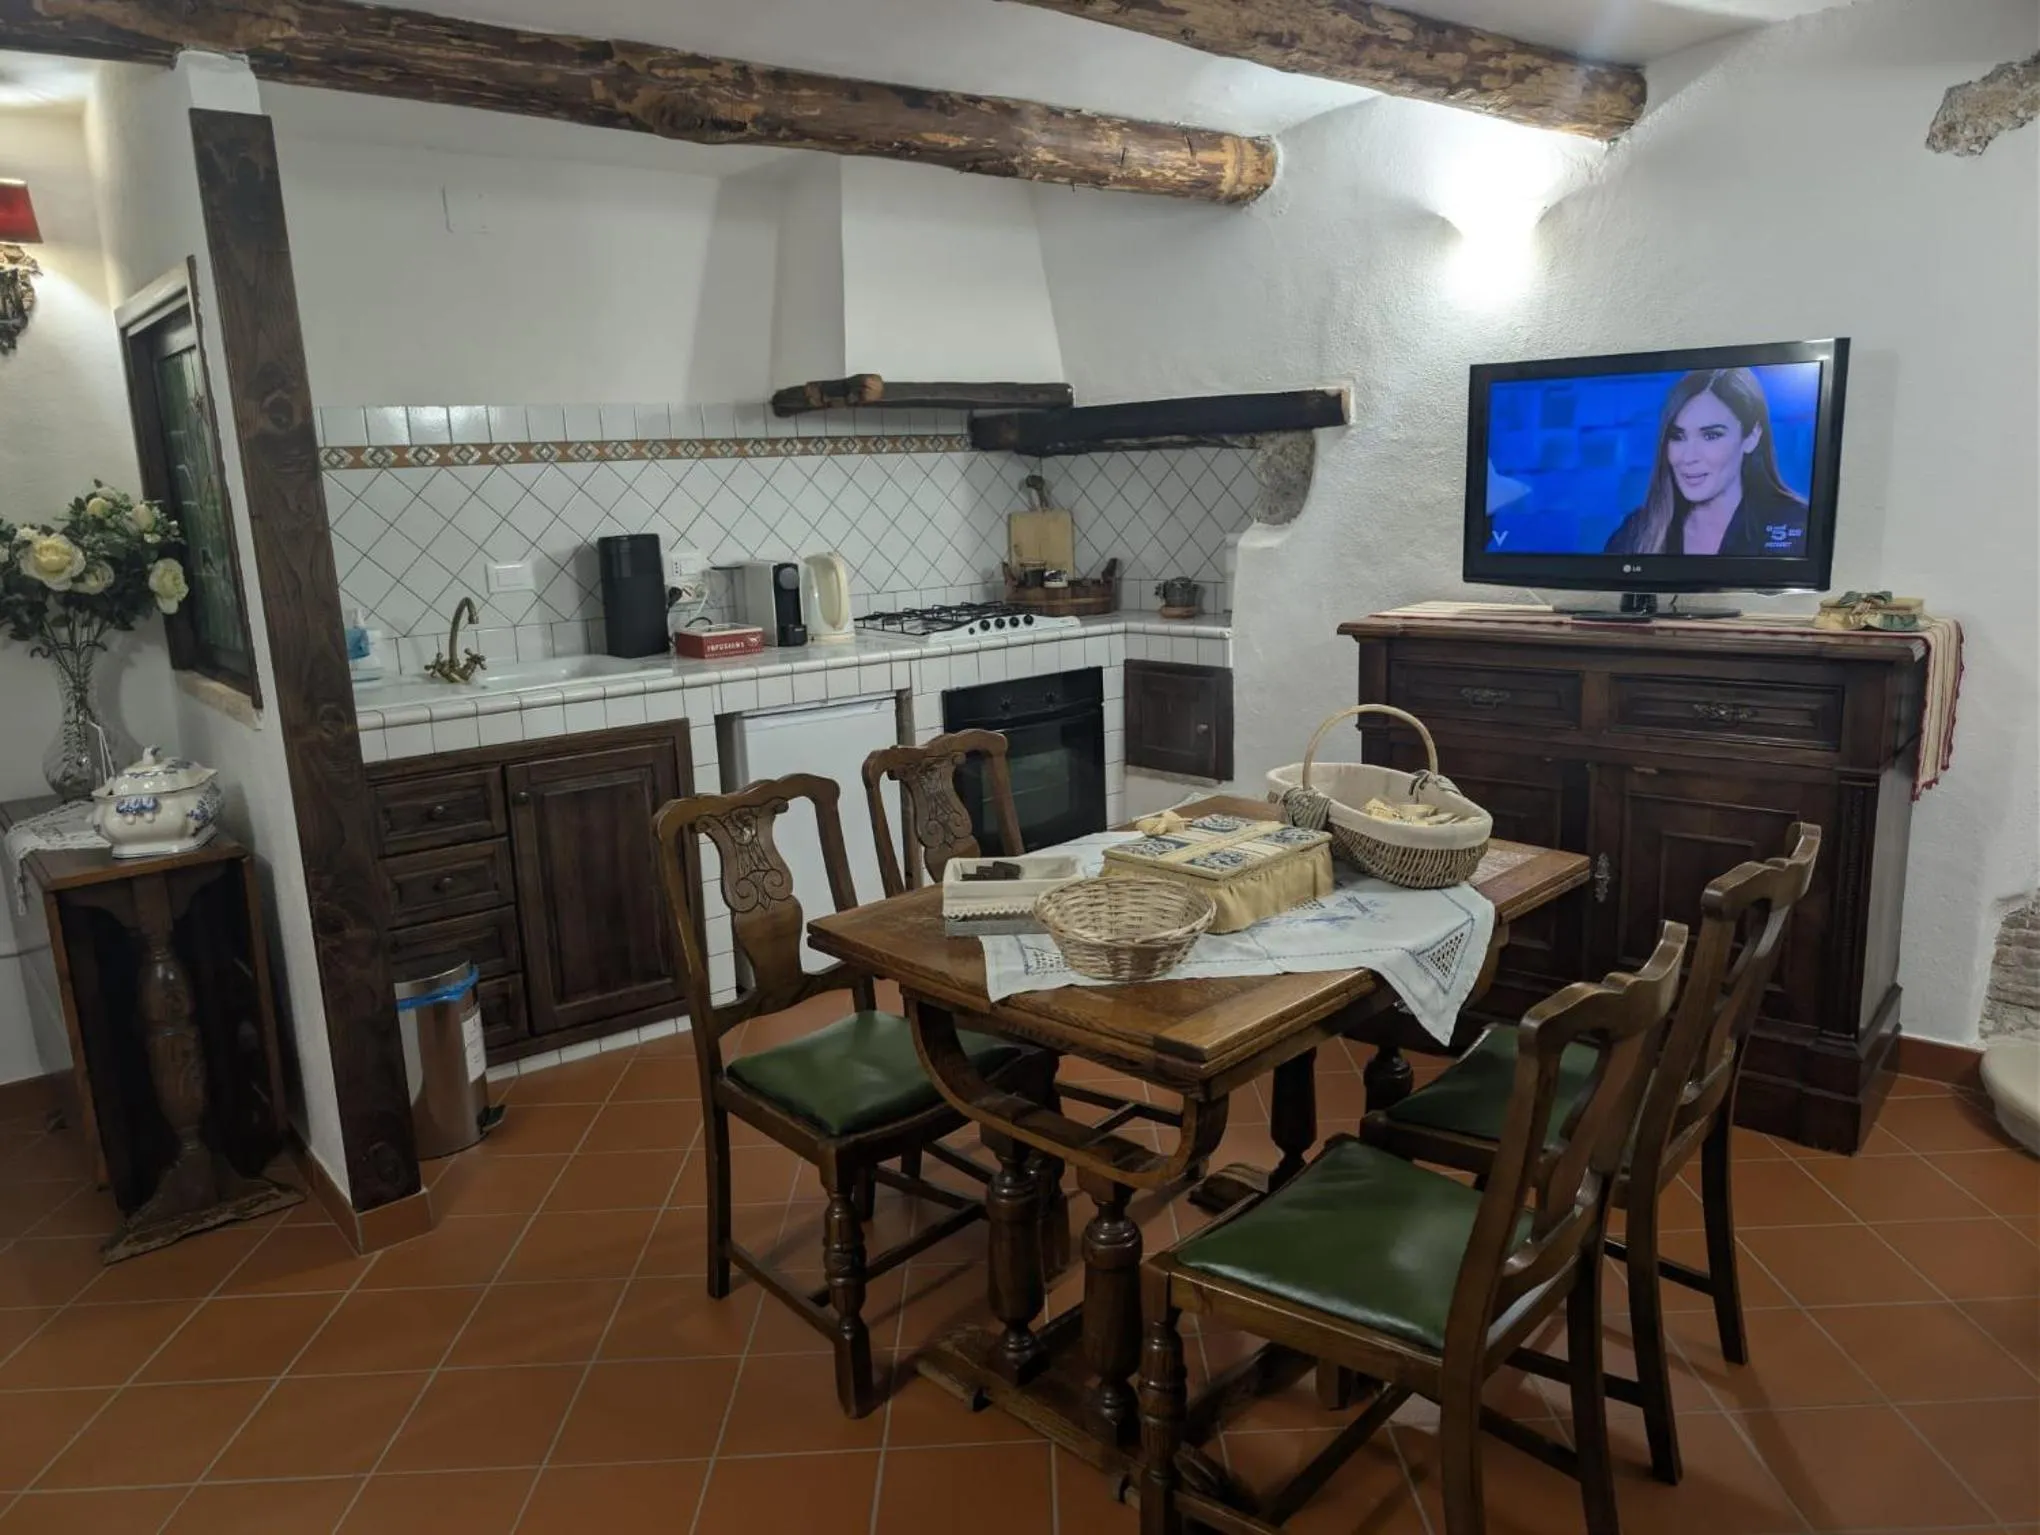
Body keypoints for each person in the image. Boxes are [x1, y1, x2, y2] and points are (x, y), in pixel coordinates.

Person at [1603, 368, 1809, 557]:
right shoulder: (1636, 532)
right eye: (1677, 436)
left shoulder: (1795, 526)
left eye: (1711, 435)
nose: (1688, 457)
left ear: (1752, 437)